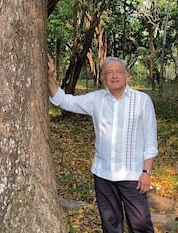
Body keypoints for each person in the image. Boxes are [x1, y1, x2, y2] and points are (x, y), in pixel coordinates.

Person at [47, 55, 158, 233]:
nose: (114, 76)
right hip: (103, 174)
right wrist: (50, 78)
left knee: (141, 225)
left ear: (126, 75)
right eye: (109, 73)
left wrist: (147, 172)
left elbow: (150, 140)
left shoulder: (142, 100)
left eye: (118, 72)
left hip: (133, 176)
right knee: (110, 225)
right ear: (103, 78)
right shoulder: (96, 100)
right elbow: (65, 101)